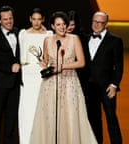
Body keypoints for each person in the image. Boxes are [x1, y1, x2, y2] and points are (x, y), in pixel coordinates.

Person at [29, 11, 98, 144]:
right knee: (50, 116)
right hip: (50, 84)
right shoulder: (47, 40)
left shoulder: (74, 39)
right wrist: (44, 65)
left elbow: (81, 62)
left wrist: (62, 67)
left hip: (70, 82)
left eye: (64, 24)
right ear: (52, 26)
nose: (62, 27)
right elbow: (46, 61)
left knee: (70, 117)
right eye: (58, 24)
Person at [82, 11, 123, 144]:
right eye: (94, 21)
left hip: (107, 87)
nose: (96, 25)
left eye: (100, 22)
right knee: (94, 119)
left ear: (106, 24)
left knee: (111, 118)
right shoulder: (86, 38)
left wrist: (114, 85)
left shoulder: (115, 40)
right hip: (90, 87)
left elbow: (119, 66)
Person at [0, 5, 22, 144]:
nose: (9, 21)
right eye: (5, 19)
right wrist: (9, 67)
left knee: (11, 117)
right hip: (1, 82)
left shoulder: (20, 33)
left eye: (10, 18)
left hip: (16, 83)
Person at [18, 7, 52, 144]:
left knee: (42, 107)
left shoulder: (49, 34)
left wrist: (47, 64)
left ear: (43, 19)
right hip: (26, 74)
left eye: (39, 19)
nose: (36, 22)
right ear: (30, 19)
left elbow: (50, 55)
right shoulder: (23, 34)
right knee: (27, 108)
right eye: (34, 19)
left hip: (41, 74)